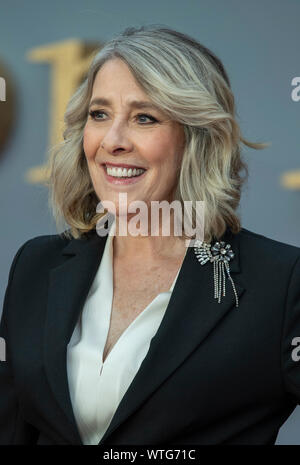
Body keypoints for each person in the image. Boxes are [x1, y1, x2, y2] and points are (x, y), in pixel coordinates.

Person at [0, 24, 300, 446]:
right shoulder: (36, 264)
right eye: (99, 114)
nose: (113, 140)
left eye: (144, 117)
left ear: (196, 138)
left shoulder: (281, 283)